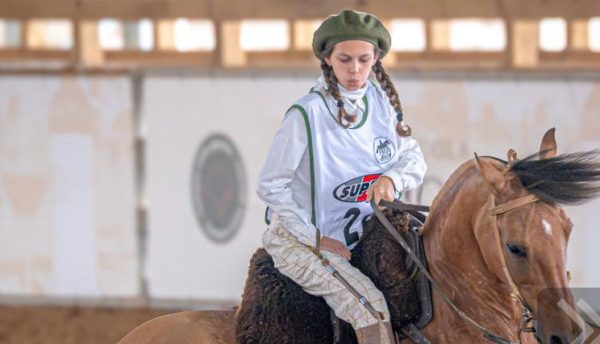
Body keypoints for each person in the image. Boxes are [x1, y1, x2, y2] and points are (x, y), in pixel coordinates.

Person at [256, 9, 426, 344]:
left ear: (376, 59)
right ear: (327, 59)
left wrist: (392, 179)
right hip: (298, 240)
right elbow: (270, 184)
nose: (355, 70)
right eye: (345, 59)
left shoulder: (382, 104)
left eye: (364, 60)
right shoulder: (306, 113)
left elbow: (414, 159)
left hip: (360, 234)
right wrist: (313, 237)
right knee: (373, 309)